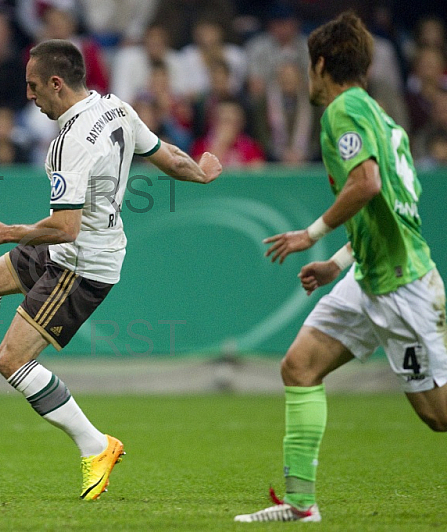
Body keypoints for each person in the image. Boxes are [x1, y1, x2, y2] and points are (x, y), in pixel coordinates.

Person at [0, 39, 222, 500]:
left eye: (32, 86)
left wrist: (8, 231)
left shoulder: (70, 144)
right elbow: (164, 153)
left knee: (12, 361)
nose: (28, 95)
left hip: (82, 263)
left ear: (55, 83)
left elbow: (66, 228)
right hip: (72, 249)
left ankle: (96, 445)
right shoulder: (116, 107)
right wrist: (199, 172)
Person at [235, 12, 447, 523]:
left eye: (309, 65)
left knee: (438, 417)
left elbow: (366, 184)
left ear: (321, 64)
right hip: (368, 275)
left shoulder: (342, 110)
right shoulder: (383, 119)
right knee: (299, 366)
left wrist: (310, 235)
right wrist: (336, 262)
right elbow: (386, 208)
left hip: (402, 285)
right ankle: (301, 503)